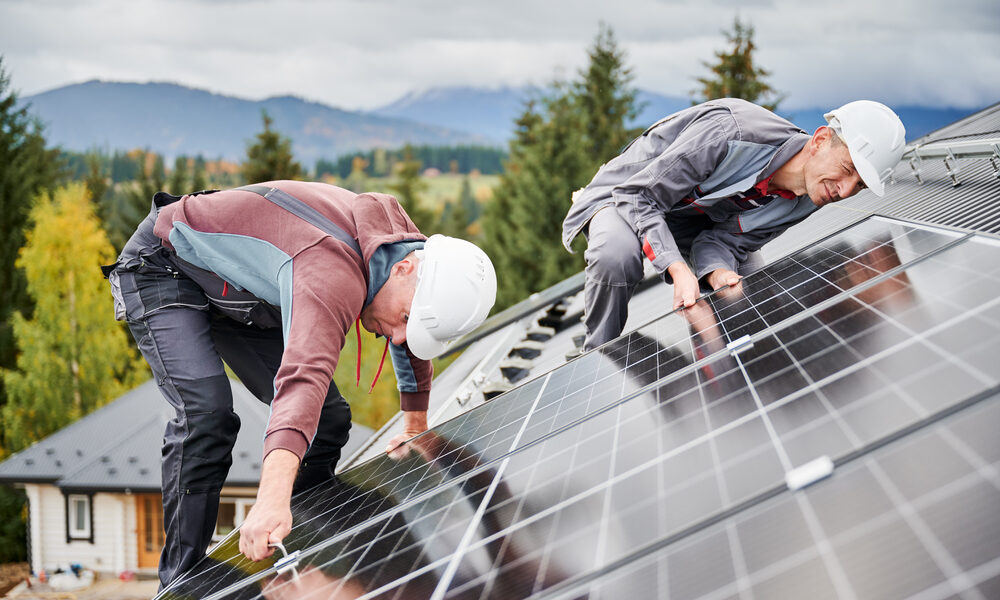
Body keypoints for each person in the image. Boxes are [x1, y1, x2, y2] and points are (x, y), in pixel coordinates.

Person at [104, 180, 497, 586]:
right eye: (405, 321)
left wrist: (415, 424)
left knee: (327, 420)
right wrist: (270, 498)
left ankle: (307, 528)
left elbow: (412, 324)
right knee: (208, 412)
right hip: (165, 265)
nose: (398, 338)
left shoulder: (403, 251)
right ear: (404, 269)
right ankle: (182, 577)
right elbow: (302, 378)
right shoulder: (332, 271)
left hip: (242, 290)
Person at [562, 98, 906, 351]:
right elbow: (640, 196)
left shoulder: (811, 194)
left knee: (748, 292)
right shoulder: (731, 132)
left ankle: (721, 381)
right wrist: (678, 268)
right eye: (847, 170)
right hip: (626, 195)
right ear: (818, 141)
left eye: (858, 185)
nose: (844, 191)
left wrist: (718, 275)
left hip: (689, 222)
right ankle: (596, 354)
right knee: (616, 255)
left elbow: (724, 243)